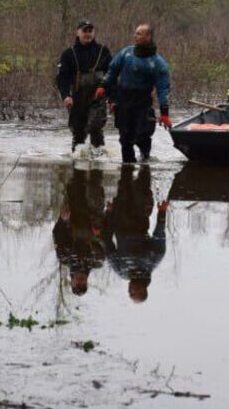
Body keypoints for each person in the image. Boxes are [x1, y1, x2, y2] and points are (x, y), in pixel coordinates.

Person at [98, 23, 172, 163]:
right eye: (135, 33)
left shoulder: (158, 63)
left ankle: (145, 157)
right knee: (125, 138)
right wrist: (103, 86)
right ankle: (127, 167)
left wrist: (164, 113)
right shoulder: (126, 53)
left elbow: (163, 88)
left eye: (139, 34)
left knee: (142, 135)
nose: (135, 36)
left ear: (148, 37)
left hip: (142, 102)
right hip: (123, 100)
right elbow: (112, 70)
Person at [105, 165, 167, 303]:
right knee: (143, 182)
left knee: (125, 179)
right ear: (143, 290)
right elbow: (159, 236)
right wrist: (162, 213)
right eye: (132, 292)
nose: (129, 289)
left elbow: (107, 243)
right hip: (140, 219)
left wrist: (109, 215)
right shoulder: (152, 260)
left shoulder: (121, 270)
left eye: (130, 292)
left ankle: (127, 156)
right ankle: (145, 157)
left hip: (119, 217)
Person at [53, 20, 113, 159]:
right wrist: (66, 96)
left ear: (94, 33)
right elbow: (62, 78)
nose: (87, 34)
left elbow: (112, 75)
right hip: (77, 98)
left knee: (95, 127)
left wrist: (111, 98)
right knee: (78, 133)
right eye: (84, 31)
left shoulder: (103, 51)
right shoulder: (69, 53)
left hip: (98, 97)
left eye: (90, 31)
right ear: (77, 33)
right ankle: (76, 164)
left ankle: (98, 162)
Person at [51, 166, 109, 296]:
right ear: (87, 283)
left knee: (77, 179)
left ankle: (79, 152)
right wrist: (99, 233)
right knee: (94, 185)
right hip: (94, 216)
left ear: (71, 282)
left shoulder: (64, 257)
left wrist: (63, 220)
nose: (80, 281)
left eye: (78, 284)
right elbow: (108, 240)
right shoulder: (98, 261)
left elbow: (57, 234)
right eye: (83, 285)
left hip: (74, 214)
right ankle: (98, 158)